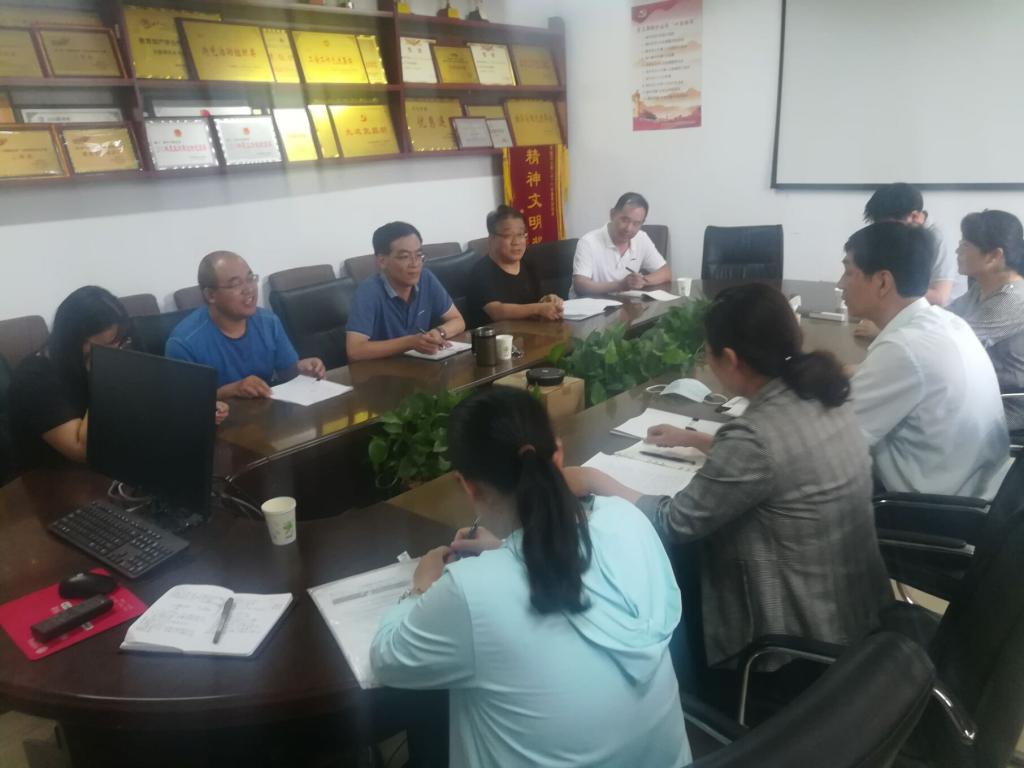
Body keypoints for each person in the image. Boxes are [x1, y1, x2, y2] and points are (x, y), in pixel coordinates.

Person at [562, 284, 891, 678]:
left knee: (667, 566)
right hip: (857, 611)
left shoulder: (755, 438)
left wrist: (594, 479)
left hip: (797, 640)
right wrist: (695, 439)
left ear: (731, 359)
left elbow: (673, 522)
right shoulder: (823, 392)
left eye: (708, 352)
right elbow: (783, 456)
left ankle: (682, 689)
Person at [370, 387, 689, 768]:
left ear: (467, 485)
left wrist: (421, 587)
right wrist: (509, 552)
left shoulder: (472, 591)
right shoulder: (627, 521)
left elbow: (387, 658)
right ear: (558, 455)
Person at [840, 222, 1009, 496]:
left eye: (849, 272)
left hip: (935, 509)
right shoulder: (944, 322)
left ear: (883, 282)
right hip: (983, 489)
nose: (840, 284)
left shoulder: (903, 348)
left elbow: (834, 438)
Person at [10, 286, 230, 472]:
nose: (118, 350)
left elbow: (151, 395)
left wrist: (195, 409)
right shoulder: (35, 378)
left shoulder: (124, 341)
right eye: (107, 346)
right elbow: (84, 451)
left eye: (120, 341)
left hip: (123, 464)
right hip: (59, 484)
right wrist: (106, 374)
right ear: (75, 342)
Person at [167, 251, 324, 399]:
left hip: (267, 411)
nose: (249, 289)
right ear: (210, 295)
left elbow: (285, 372)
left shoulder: (268, 322)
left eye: (250, 278)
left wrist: (301, 369)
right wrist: (232, 390)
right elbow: (186, 402)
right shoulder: (184, 343)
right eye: (236, 284)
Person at [346, 222, 466, 361]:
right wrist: (410, 342)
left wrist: (439, 333)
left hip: (419, 365)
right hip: (383, 370)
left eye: (419, 255)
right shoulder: (368, 291)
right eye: (404, 257)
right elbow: (355, 350)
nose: (415, 264)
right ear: (382, 261)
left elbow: (458, 320)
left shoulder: (425, 278)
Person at [949, 210, 1024, 431]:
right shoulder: (982, 287)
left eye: (965, 245)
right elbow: (944, 318)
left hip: (1008, 404)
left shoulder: (1013, 300)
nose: (957, 251)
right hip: (981, 391)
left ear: (994, 256)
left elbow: (951, 339)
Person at [464, 206, 565, 329]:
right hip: (494, 338)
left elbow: (536, 303)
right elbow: (497, 311)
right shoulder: (481, 272)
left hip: (530, 334)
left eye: (521, 234)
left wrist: (547, 300)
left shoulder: (528, 264)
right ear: (491, 239)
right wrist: (538, 308)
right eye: (508, 236)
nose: (516, 242)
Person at [571, 192, 671, 297]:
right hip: (590, 304)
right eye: (624, 220)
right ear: (612, 215)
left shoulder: (642, 238)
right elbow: (580, 285)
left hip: (623, 303)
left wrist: (642, 281)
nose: (629, 228)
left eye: (636, 223)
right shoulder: (588, 242)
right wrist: (619, 285)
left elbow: (666, 273)